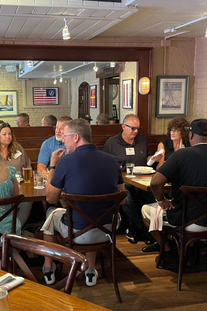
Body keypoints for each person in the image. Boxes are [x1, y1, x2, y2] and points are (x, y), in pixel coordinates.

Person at [41, 119, 125, 287]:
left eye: (65, 136)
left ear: (76, 137)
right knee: (92, 216)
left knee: (52, 213)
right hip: (108, 229)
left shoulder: (65, 161)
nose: (62, 140)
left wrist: (52, 166)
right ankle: (90, 270)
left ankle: (48, 267)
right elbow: (122, 198)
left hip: (77, 232)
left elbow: (50, 198)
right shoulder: (111, 161)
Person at [142, 119, 207, 269]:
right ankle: (190, 251)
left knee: (146, 210)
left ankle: (169, 253)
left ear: (190, 135)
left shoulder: (181, 155)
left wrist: (161, 201)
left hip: (186, 220)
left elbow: (155, 182)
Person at [102, 114, 163, 247]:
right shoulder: (112, 143)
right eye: (133, 128)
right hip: (122, 181)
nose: (135, 132)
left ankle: (143, 231)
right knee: (127, 198)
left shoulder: (141, 140)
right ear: (123, 127)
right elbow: (105, 165)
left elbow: (147, 160)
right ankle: (142, 231)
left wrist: (153, 159)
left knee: (154, 196)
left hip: (143, 180)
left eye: (138, 129)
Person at [0, 121, 32, 226]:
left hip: (20, 186)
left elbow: (28, 166)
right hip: (0, 188)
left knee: (27, 202)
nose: (8, 137)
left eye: (9, 134)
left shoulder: (18, 148)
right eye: (4, 134)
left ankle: (16, 229)